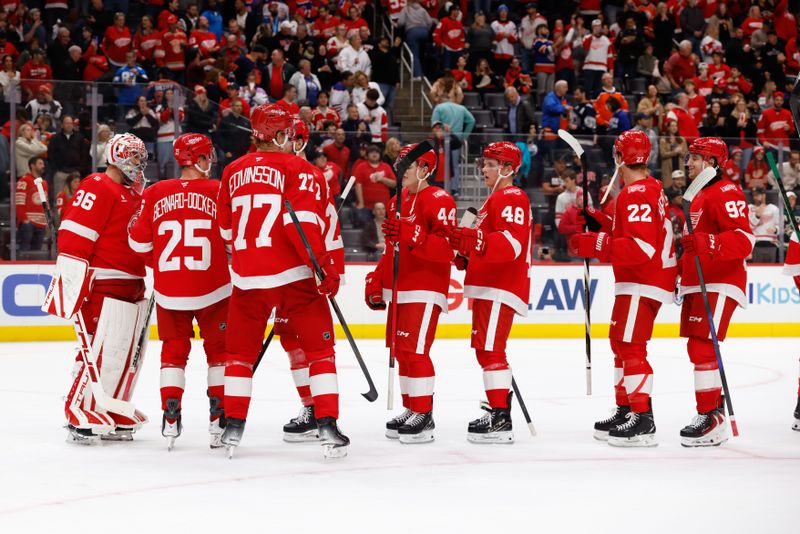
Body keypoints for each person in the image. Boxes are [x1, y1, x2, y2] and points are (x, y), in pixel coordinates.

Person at [216, 104, 347, 458]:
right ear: (277, 135)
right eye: (288, 132)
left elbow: (226, 230)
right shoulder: (299, 168)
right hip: (293, 278)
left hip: (246, 277)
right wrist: (323, 269)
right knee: (320, 352)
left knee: (239, 356)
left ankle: (232, 425)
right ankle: (327, 425)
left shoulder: (231, 171)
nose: (292, 138)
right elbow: (300, 224)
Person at [570, 129, 677, 447]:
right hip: (644, 280)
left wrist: (596, 242)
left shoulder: (634, 193)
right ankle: (626, 408)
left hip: (643, 280)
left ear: (619, 157)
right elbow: (629, 229)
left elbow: (641, 248)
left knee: (630, 346)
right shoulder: (651, 187)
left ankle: (643, 419)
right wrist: (599, 220)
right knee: (621, 343)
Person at [42, 133, 149, 443]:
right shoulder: (97, 185)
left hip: (133, 284)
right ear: (118, 156)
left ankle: (111, 403)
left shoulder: (134, 195)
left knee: (124, 353)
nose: (139, 164)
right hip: (103, 282)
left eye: (141, 157)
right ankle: (79, 407)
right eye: (135, 157)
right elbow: (75, 236)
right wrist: (73, 280)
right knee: (99, 348)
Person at [128, 133, 230, 450]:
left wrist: (160, 262)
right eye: (207, 156)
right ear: (198, 160)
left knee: (173, 354)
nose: (210, 161)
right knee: (219, 355)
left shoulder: (156, 192)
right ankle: (218, 417)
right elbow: (233, 239)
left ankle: (171, 416)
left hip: (171, 290)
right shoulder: (218, 191)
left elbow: (137, 243)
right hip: (214, 287)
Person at [364, 144, 456, 443]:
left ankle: (424, 413)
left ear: (425, 169)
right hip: (400, 286)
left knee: (416, 351)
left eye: (407, 165)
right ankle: (410, 407)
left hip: (425, 286)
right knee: (401, 351)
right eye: (399, 164)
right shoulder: (397, 200)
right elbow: (391, 248)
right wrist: (376, 278)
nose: (399, 170)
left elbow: (447, 250)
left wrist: (413, 234)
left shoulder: (440, 199)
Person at [445, 142, 531, 442]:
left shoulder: (512, 196)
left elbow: (510, 245)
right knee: (485, 349)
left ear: (508, 169)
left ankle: (500, 417)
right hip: (488, 286)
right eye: (485, 164)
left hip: (500, 286)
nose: (484, 168)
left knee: (492, 350)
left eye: (491, 164)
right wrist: (464, 252)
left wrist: (475, 242)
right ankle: (497, 407)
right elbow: (482, 240)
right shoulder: (489, 203)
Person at [678, 137, 754, 447]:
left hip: (722, 279)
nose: (688, 163)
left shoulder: (726, 191)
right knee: (697, 348)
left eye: (695, 158)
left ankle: (710, 416)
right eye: (689, 157)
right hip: (699, 280)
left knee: (703, 346)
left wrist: (711, 244)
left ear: (712, 163)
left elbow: (744, 239)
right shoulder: (696, 194)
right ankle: (712, 409)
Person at [274, 119, 346, 443]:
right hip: (285, 275)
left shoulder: (306, 175)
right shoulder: (281, 174)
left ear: (299, 141)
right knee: (291, 342)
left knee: (317, 346)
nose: (279, 144)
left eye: (285, 139)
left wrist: (326, 269)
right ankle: (311, 408)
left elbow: (317, 230)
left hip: (309, 273)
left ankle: (325, 415)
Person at [353, 144, 395, 225]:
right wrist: (361, 203)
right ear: (367, 155)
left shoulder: (386, 166)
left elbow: (394, 184)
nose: (374, 154)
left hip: (383, 207)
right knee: (367, 232)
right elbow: (358, 185)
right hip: (366, 207)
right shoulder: (361, 167)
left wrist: (382, 179)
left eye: (377, 152)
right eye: (372, 152)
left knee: (384, 231)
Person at [15, 156, 48, 252]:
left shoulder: (44, 183)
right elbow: (19, 201)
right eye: (40, 163)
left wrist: (46, 220)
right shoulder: (24, 180)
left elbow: (45, 203)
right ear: (32, 166)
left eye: (43, 164)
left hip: (41, 223)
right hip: (29, 223)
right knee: (24, 250)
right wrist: (24, 219)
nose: (43, 166)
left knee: (37, 252)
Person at [757, 92, 795, 160]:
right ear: (773, 100)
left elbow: (792, 130)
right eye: (777, 100)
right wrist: (764, 141)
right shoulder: (765, 113)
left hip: (784, 147)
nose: (779, 102)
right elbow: (760, 132)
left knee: (782, 169)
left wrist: (789, 128)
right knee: (772, 168)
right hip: (770, 146)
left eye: (781, 100)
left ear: (783, 102)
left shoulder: (788, 113)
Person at [748, 187, 781, 263]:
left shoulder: (774, 208)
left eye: (757, 195)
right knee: (757, 270)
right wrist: (757, 216)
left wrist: (776, 229)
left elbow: (781, 227)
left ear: (764, 195)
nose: (755, 197)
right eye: (753, 195)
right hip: (756, 244)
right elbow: (748, 227)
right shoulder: (749, 208)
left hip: (771, 243)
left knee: (772, 270)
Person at [659, 120, 687, 187]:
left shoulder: (682, 140)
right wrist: (674, 152)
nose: (674, 127)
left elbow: (686, 155)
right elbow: (663, 154)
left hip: (679, 165)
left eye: (676, 126)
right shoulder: (663, 140)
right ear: (668, 128)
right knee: (668, 188)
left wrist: (680, 152)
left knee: (681, 188)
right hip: (668, 167)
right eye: (672, 126)